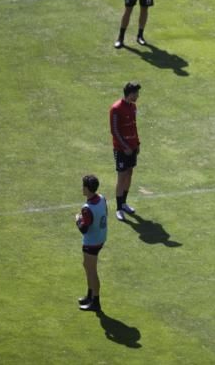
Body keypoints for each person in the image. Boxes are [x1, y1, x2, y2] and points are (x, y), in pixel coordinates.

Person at [75, 174, 108, 312]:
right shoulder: (102, 198)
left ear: (88, 189)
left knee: (92, 271)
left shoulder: (87, 208)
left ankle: (95, 301)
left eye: (83, 186)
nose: (82, 188)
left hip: (92, 242)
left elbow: (84, 228)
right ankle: (89, 295)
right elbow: (106, 213)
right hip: (100, 237)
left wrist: (77, 219)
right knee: (87, 266)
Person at [110, 82, 141, 221]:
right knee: (121, 177)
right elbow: (115, 131)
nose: (138, 96)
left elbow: (134, 127)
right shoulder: (116, 108)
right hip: (122, 150)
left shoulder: (133, 107)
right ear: (130, 94)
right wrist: (124, 147)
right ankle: (118, 208)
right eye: (136, 93)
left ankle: (124, 203)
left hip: (132, 147)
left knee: (129, 173)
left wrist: (137, 143)